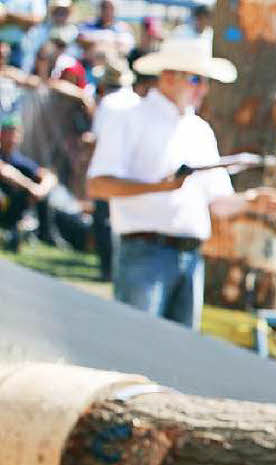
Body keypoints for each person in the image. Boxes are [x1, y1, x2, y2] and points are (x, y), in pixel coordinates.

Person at [85, 36, 255, 328]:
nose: (203, 88)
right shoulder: (129, 118)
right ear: (168, 77)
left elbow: (218, 201)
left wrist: (252, 201)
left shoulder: (200, 130)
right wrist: (157, 188)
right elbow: (98, 185)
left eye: (204, 80)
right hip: (144, 251)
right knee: (136, 351)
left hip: (189, 256)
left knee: (179, 360)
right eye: (195, 79)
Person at [90, 57, 136, 279]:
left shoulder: (107, 104)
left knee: (103, 220)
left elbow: (98, 138)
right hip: (131, 171)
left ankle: (107, 268)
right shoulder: (136, 101)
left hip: (108, 169)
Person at [0, 115, 56, 250]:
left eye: (15, 132)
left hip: (12, 208)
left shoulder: (18, 159)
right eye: (9, 132)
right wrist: (30, 187)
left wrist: (41, 189)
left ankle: (44, 234)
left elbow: (48, 176)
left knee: (40, 193)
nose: (12, 137)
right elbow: (5, 171)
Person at [0, 0, 45, 69]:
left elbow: (35, 19)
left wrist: (8, 16)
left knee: (19, 75)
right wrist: (21, 21)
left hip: (21, 48)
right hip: (2, 44)